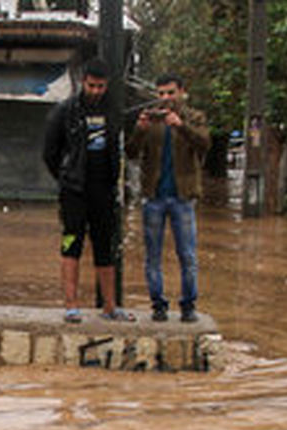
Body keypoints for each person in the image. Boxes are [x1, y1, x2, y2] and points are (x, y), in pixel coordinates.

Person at [43, 58, 131, 324]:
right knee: (71, 244)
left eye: (101, 86)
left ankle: (110, 306)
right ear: (84, 82)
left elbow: (120, 146)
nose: (96, 91)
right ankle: (71, 305)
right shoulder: (65, 111)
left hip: (104, 190)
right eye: (92, 86)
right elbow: (49, 153)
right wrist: (66, 178)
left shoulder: (112, 110)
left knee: (106, 247)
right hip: (74, 191)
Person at [127, 73, 210, 323]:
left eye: (170, 93)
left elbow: (204, 145)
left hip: (183, 198)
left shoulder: (195, 117)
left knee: (187, 255)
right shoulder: (151, 120)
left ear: (181, 92)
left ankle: (188, 306)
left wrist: (180, 126)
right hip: (153, 197)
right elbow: (131, 152)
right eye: (161, 93)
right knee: (152, 256)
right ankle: (158, 306)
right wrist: (139, 130)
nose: (165, 98)